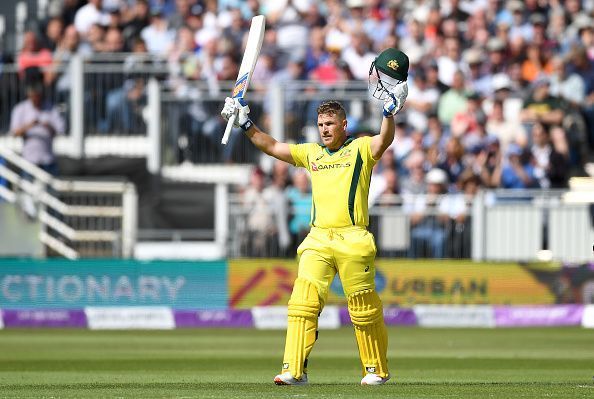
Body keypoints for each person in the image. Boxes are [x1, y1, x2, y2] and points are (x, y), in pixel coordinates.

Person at [221, 48, 409, 386]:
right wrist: (245, 122)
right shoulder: (312, 153)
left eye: (330, 124)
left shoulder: (361, 148)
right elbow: (272, 146)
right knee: (302, 303)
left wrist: (389, 112)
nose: (324, 129)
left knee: (364, 309)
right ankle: (294, 370)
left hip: (353, 237)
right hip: (319, 238)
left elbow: (385, 139)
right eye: (320, 124)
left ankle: (376, 370)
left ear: (343, 125)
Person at [10, 76, 65, 176]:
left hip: (48, 160)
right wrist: (30, 125)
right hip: (29, 160)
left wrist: (48, 126)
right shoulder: (20, 109)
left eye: (37, 96)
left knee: (51, 190)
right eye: (33, 96)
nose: (35, 99)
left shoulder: (51, 108)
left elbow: (60, 130)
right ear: (29, 95)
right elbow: (14, 132)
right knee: (28, 190)